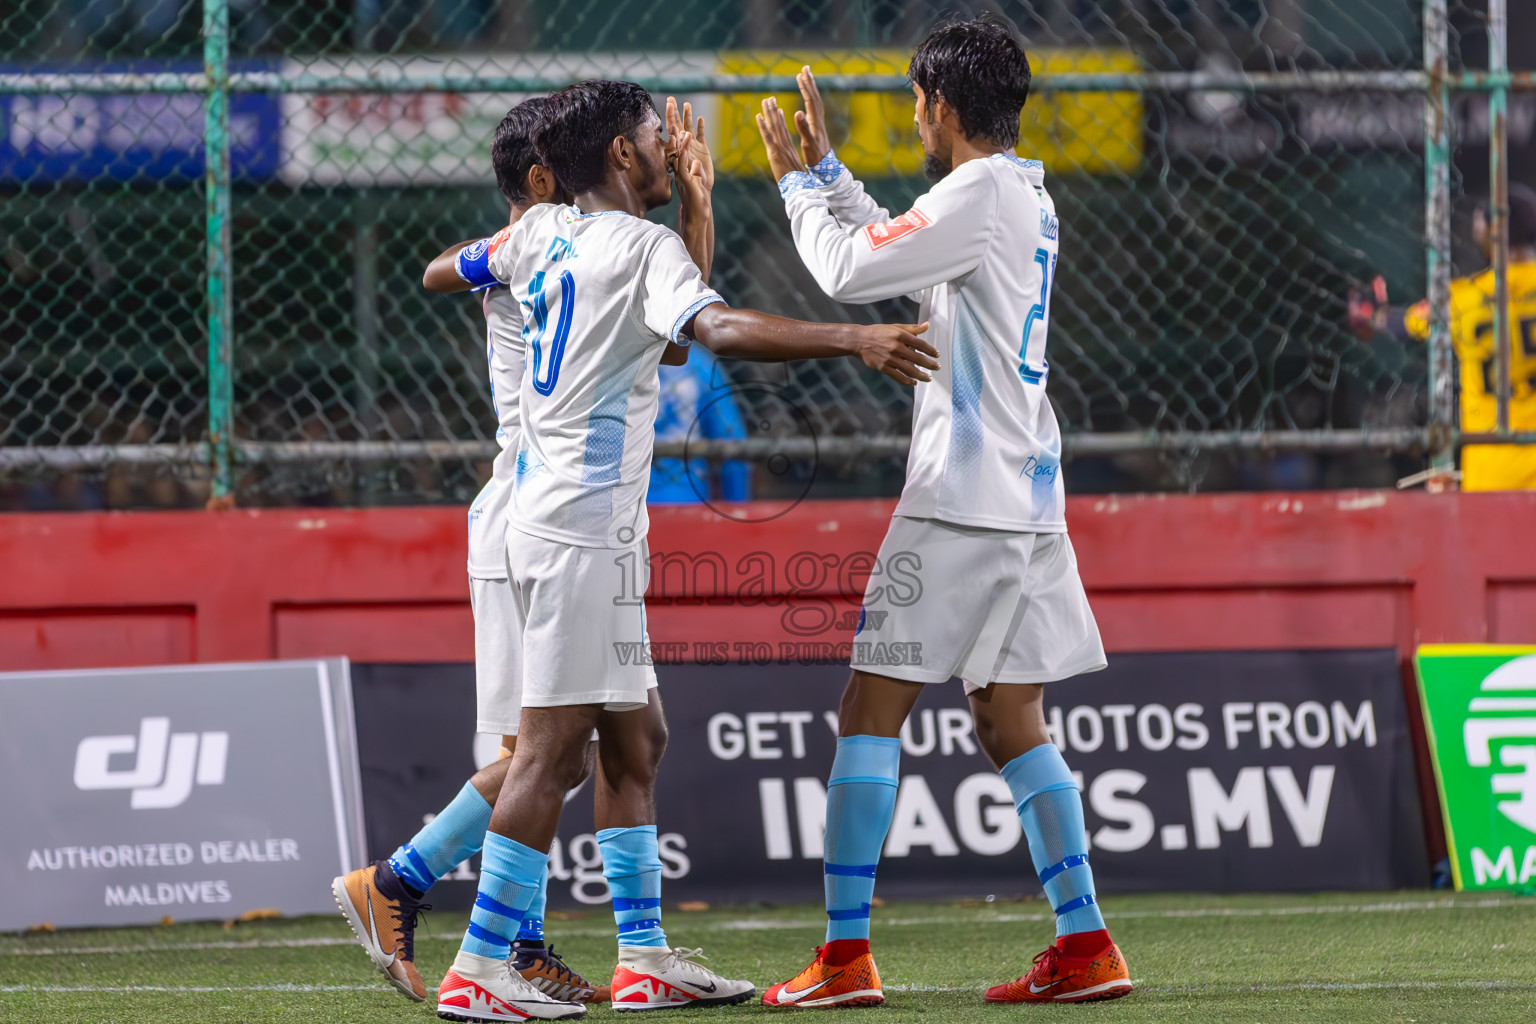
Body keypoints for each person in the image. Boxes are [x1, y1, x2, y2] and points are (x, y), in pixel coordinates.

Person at [435, 78, 937, 1021]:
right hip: (580, 529)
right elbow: (712, 330)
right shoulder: (638, 246)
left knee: (639, 737)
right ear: (622, 157)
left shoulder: (545, 233)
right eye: (652, 138)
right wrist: (854, 338)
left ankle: (644, 958)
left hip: (567, 524)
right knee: (548, 755)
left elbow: (664, 342)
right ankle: (479, 966)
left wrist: (694, 205)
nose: (671, 148)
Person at [752, 17, 1132, 1007]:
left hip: (959, 500)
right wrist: (833, 174)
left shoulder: (976, 195)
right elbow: (902, 249)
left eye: (919, 102)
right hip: (1028, 495)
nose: (914, 115)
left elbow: (849, 271)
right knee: (1009, 715)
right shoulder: (1017, 195)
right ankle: (1086, 940)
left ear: (947, 108)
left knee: (869, 709)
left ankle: (842, 957)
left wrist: (796, 183)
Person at [1351, 183, 1536, 490]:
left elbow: (1401, 325)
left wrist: (1369, 311)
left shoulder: (1462, 299)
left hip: (1491, 473)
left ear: (1491, 229)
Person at [650, 345, 751, 504]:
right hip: (685, 494)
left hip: (622, 496)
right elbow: (732, 439)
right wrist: (737, 504)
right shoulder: (697, 362)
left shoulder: (614, 358)